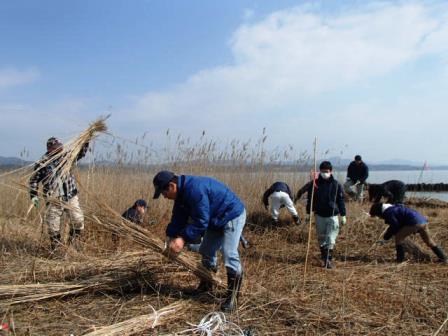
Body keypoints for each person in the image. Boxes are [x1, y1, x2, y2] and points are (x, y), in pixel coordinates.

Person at [153, 170, 246, 312]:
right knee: (206, 250)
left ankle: (233, 298)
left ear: (171, 186)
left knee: (229, 253)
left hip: (231, 215)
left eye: (164, 193)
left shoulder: (194, 190)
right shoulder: (181, 194)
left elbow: (201, 221)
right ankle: (207, 286)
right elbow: (178, 217)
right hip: (216, 219)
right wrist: (170, 237)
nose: (164, 197)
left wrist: (182, 239)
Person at [29, 137, 89, 252]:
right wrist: (34, 195)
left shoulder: (67, 157)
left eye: (60, 146)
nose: (60, 148)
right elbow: (34, 180)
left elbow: (81, 153)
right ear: (50, 148)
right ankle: (56, 248)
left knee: (78, 220)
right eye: (57, 147)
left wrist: (86, 141)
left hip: (70, 196)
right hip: (53, 199)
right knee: (53, 226)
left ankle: (71, 245)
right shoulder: (42, 162)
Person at [369, 203, 447, 264]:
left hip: (414, 222)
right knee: (429, 242)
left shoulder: (388, 212)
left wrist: (386, 238)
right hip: (423, 221)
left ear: (378, 212)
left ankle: (400, 260)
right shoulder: (394, 207)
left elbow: (394, 225)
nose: (379, 217)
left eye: (377, 215)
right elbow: (400, 222)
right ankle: (444, 258)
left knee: (399, 238)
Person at [306, 161, 346, 269]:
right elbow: (310, 199)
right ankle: (324, 258)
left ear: (331, 171)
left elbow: (341, 200)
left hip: (332, 215)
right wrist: (308, 213)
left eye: (326, 171)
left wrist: (343, 215)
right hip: (319, 215)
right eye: (322, 171)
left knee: (331, 238)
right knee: (321, 238)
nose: (324, 173)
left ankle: (328, 260)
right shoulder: (315, 184)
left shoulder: (336, 184)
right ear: (319, 171)